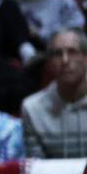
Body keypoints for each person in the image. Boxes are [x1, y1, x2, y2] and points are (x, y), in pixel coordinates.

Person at [21, 27, 87, 156]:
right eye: (57, 54)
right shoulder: (32, 109)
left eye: (72, 52)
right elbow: (37, 169)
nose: (65, 60)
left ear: (85, 58)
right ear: (49, 64)